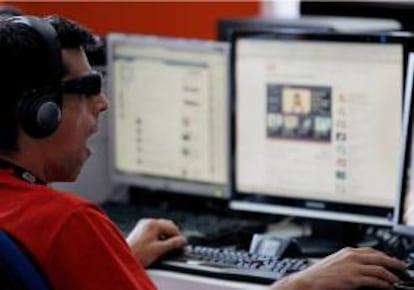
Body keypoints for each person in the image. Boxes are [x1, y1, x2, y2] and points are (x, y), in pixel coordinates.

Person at [0, 14, 406, 290]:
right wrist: (301, 283)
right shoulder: (70, 225)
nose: (103, 103)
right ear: (40, 113)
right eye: (88, 89)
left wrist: (117, 259)